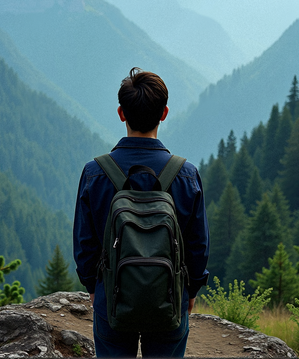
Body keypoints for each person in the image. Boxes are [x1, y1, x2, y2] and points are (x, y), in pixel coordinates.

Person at [73, 67, 209, 358]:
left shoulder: (95, 173)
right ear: (164, 113)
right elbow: (198, 245)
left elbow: (84, 243)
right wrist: (191, 290)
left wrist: (94, 288)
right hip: (170, 297)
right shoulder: (186, 175)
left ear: (121, 113)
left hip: (111, 297)